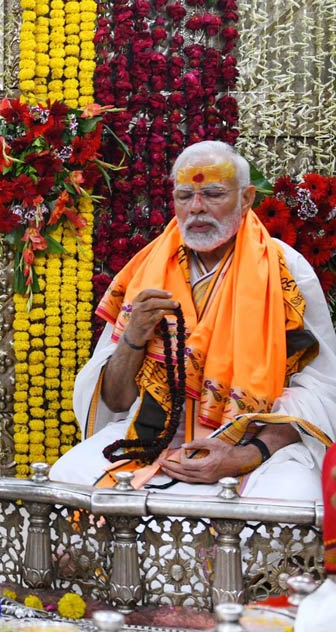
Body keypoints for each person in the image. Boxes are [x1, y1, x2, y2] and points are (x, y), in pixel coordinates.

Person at [51, 141, 336, 500]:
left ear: (246, 198)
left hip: (254, 444)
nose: (196, 208)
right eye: (185, 195)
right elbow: (116, 400)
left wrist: (244, 455)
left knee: (292, 498)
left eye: (213, 194)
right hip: (153, 438)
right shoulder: (145, 271)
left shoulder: (286, 271)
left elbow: (320, 388)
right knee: (66, 479)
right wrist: (133, 337)